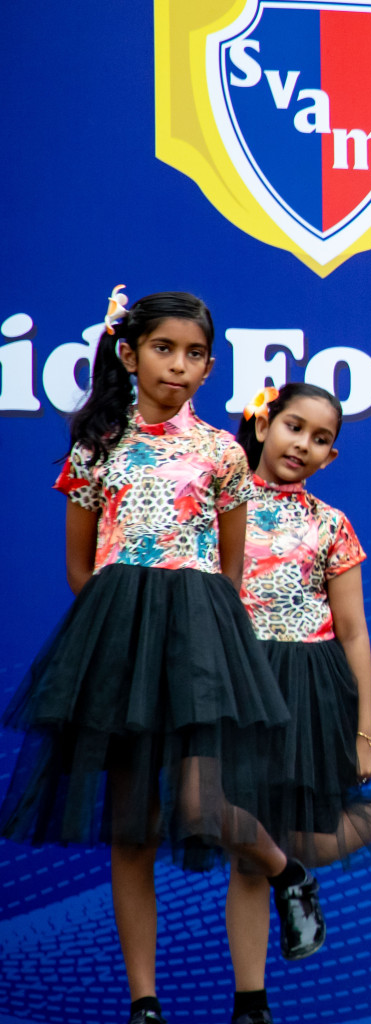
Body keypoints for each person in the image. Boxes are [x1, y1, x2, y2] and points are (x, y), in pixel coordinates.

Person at [0, 289, 324, 1024]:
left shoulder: (220, 453)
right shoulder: (96, 450)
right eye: (164, 349)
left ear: (210, 367)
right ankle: (145, 1002)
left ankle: (288, 870)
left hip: (199, 639)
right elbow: (81, 568)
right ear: (129, 354)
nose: (179, 365)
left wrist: (195, 630)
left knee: (199, 802)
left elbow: (230, 569)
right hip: (117, 641)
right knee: (131, 826)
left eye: (195, 353)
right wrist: (121, 627)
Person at [225, 381, 371, 1024]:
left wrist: (364, 732)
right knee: (248, 847)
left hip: (308, 687)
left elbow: (353, 632)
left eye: (321, 439)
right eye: (295, 427)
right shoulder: (216, 509)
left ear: (331, 457)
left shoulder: (330, 525)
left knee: (305, 841)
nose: (304, 444)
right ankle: (251, 1006)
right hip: (236, 686)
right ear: (264, 425)